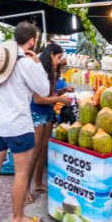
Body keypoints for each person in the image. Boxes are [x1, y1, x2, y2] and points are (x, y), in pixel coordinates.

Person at [0, 22, 50, 222]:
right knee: (21, 173)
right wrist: (37, 64)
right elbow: (43, 90)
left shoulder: (2, 58)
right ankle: (18, 218)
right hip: (18, 124)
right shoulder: (26, 63)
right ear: (32, 41)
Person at [28, 43, 72, 197]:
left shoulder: (52, 72)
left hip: (48, 113)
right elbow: (38, 99)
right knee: (34, 152)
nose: (60, 61)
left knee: (44, 150)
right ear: (51, 55)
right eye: (59, 57)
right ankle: (25, 190)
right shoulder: (40, 72)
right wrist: (59, 97)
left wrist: (63, 91)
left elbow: (50, 93)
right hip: (37, 113)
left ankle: (38, 183)